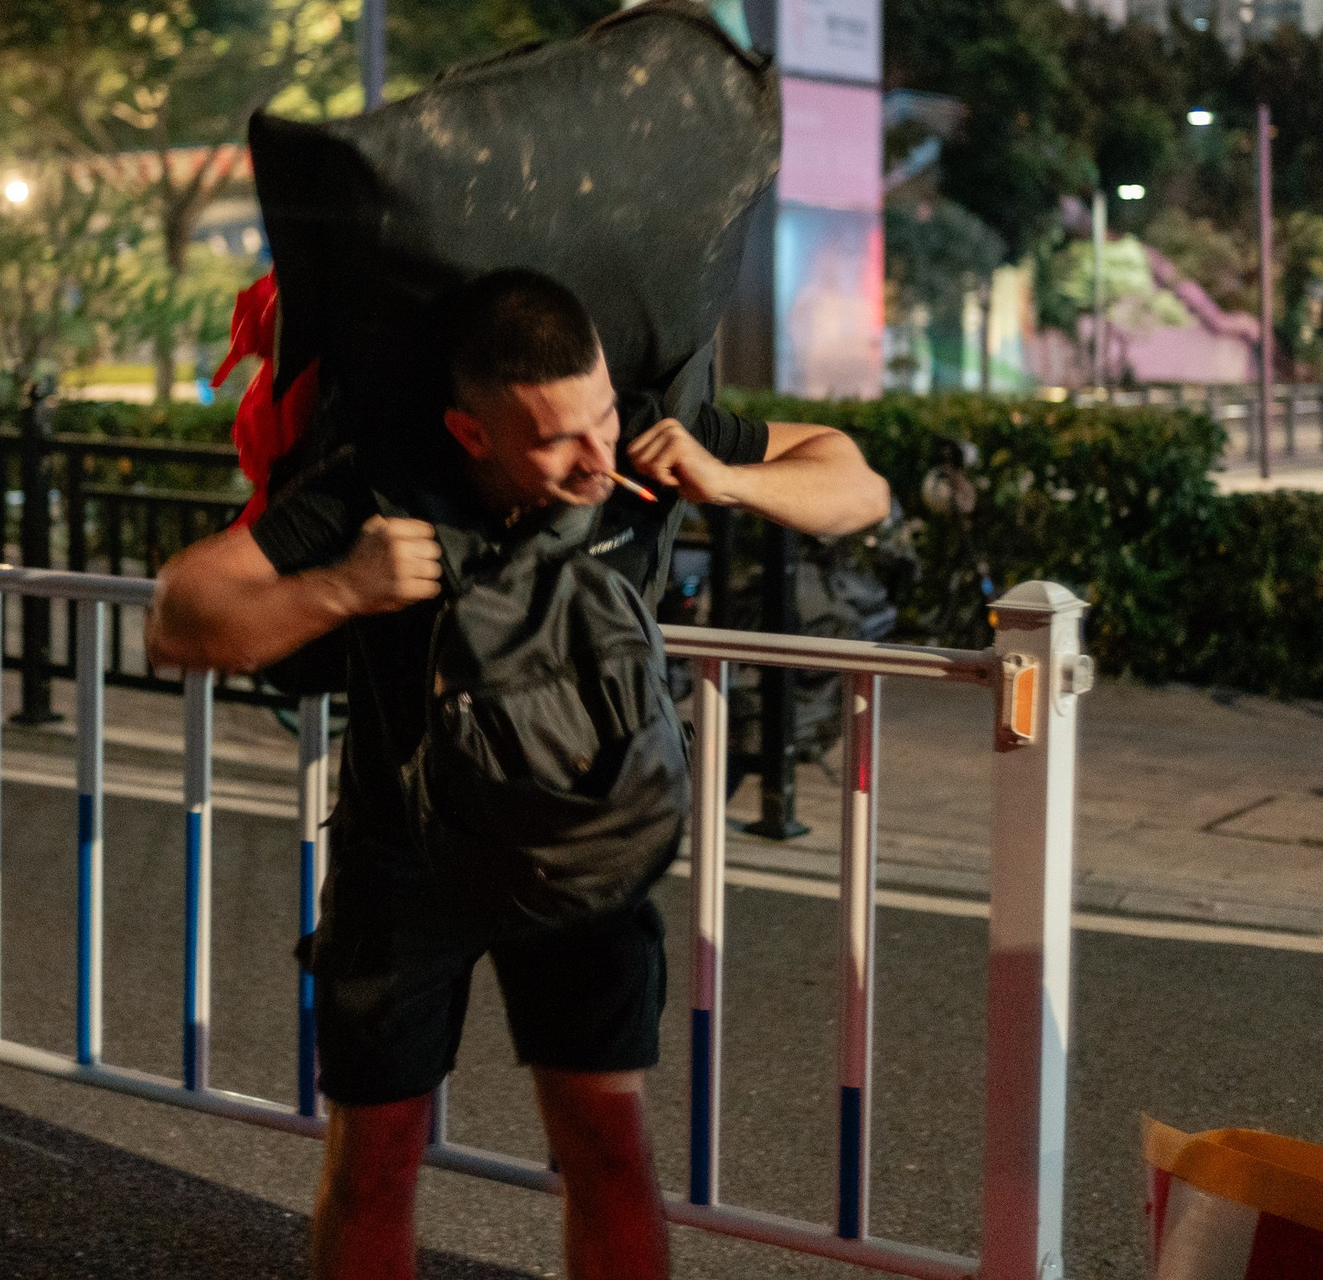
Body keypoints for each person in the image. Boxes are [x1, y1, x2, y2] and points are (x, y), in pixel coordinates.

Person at [147, 269, 890, 1280]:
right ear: (470, 435)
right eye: (556, 440)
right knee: (377, 1161)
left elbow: (858, 486)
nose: (597, 459)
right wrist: (341, 587)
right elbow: (181, 615)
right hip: (405, 866)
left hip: (589, 854)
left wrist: (732, 480)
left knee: (607, 1150)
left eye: (599, 419)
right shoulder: (381, 484)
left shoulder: (640, 435)